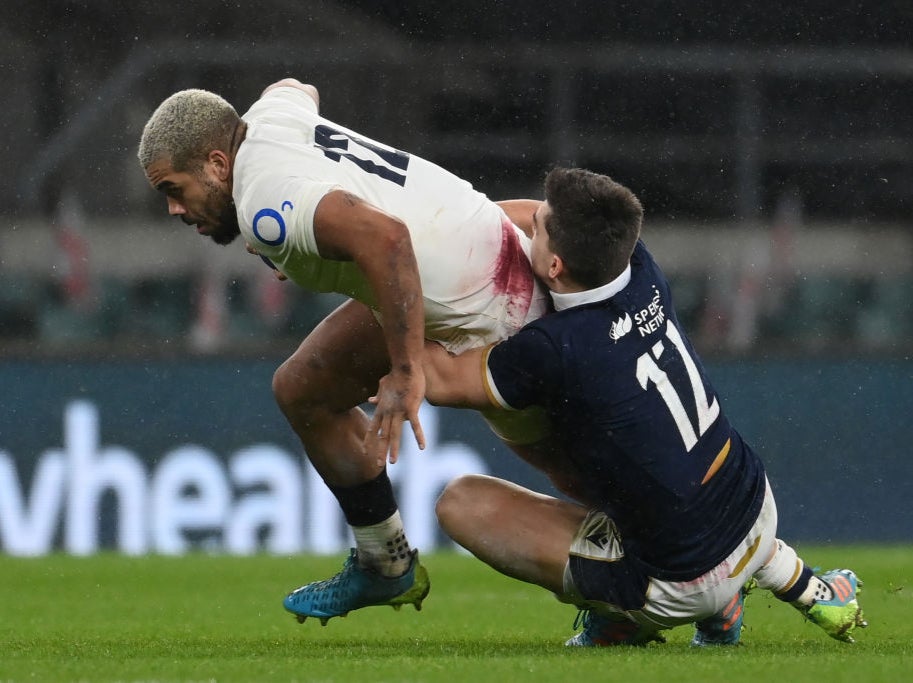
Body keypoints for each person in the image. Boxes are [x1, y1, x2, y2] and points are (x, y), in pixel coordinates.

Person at [138, 78, 550, 624]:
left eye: (174, 188)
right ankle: (384, 561)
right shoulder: (269, 117)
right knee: (303, 387)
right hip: (469, 254)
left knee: (575, 470)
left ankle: (639, 590)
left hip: (495, 309)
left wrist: (406, 372)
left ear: (218, 164)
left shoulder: (263, 197)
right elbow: (295, 85)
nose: (172, 208)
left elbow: (387, 240)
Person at [420, 167, 867, 646]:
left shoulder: (560, 348)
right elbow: (534, 217)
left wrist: (393, 281)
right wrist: (469, 224)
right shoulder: (639, 268)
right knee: (625, 465)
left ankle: (623, 615)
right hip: (753, 501)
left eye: (541, 229)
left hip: (681, 580)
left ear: (555, 267)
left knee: (460, 504)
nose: (531, 225)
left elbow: (442, 380)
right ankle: (794, 580)